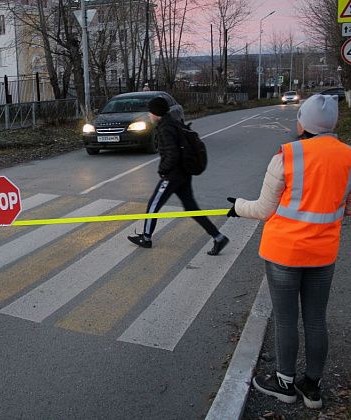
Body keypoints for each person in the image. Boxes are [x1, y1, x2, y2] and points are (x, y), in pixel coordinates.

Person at [226, 94, 351, 409]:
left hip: (284, 253)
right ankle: (313, 387)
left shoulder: (288, 156)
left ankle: (284, 383)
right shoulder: (348, 156)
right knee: (315, 318)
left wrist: (237, 207)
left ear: (304, 124)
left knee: (285, 319)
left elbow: (264, 210)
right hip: (323, 253)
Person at [127, 97, 229, 255]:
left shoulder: (165, 128)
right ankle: (218, 237)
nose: (149, 115)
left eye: (150, 112)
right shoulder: (173, 122)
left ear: (157, 113)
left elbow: (172, 154)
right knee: (191, 208)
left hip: (172, 176)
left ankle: (146, 238)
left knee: (153, 205)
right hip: (184, 174)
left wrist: (163, 170)